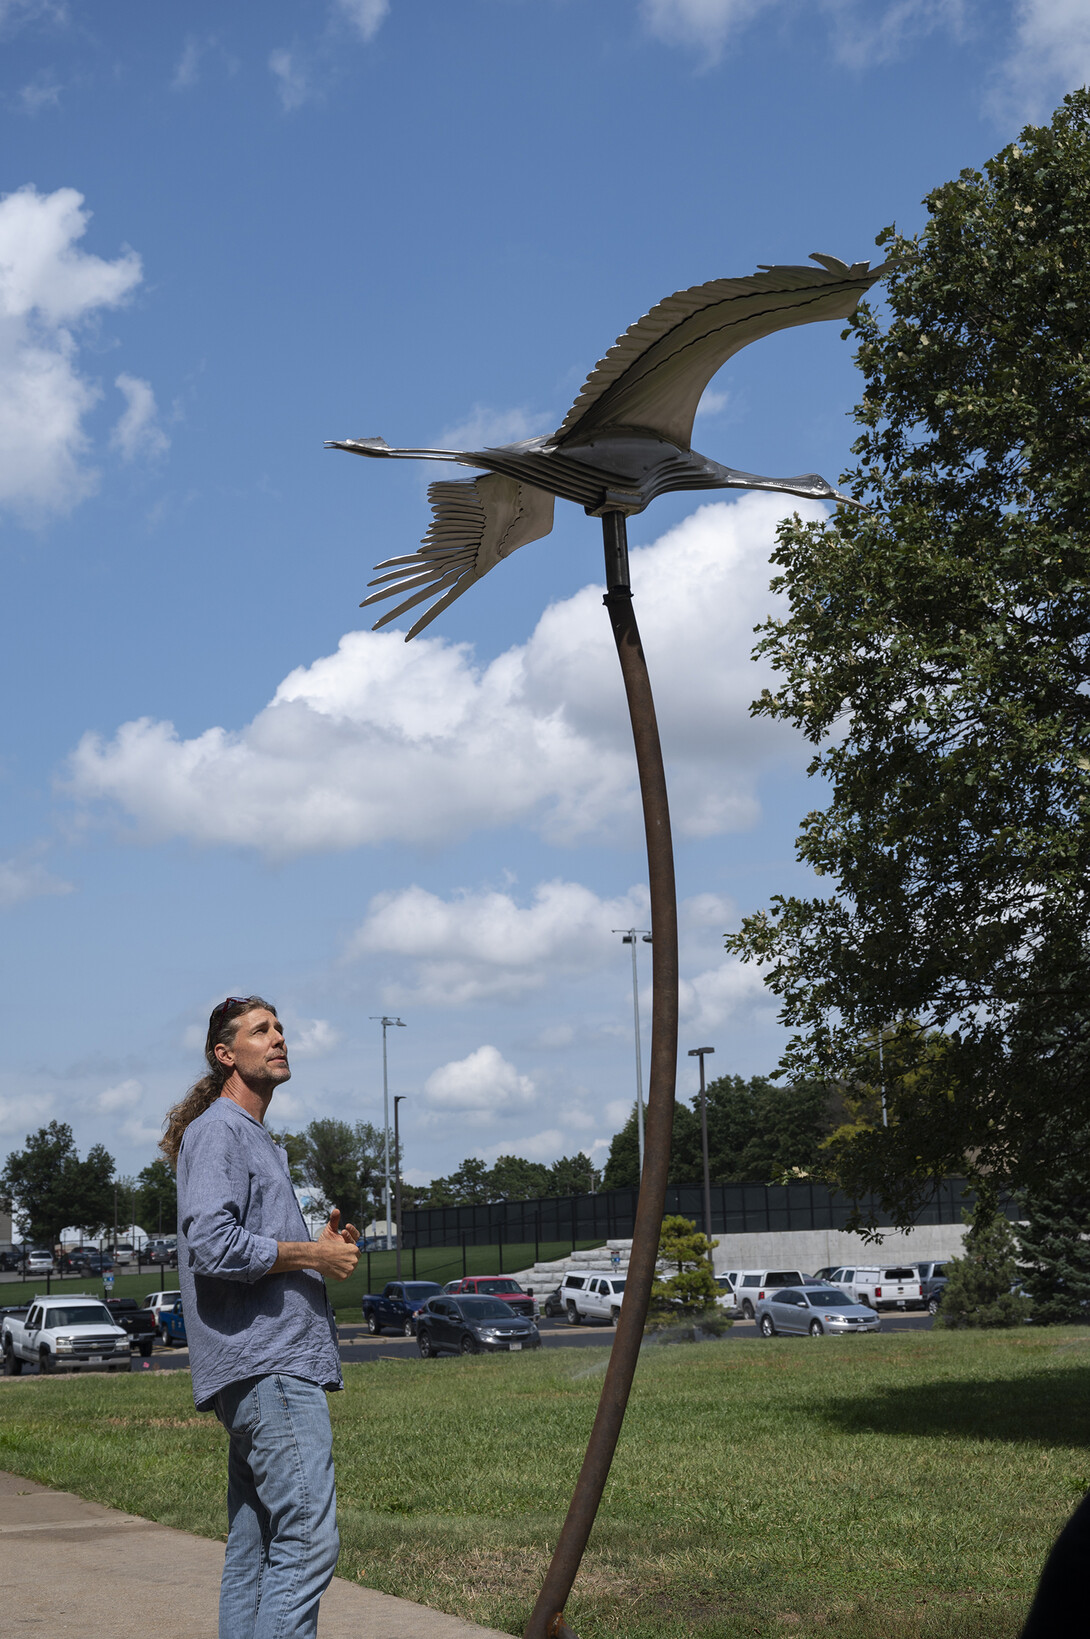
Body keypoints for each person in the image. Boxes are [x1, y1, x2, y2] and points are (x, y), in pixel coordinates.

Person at [161, 996, 360, 1639]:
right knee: (306, 1542)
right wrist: (312, 1254)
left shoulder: (248, 1136)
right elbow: (212, 1244)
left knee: (255, 1551)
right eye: (260, 1031)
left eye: (278, 1028)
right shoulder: (220, 1130)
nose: (278, 1038)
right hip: (270, 1370)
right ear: (226, 1054)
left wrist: (315, 1246)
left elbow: (241, 1240)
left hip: (253, 1371)